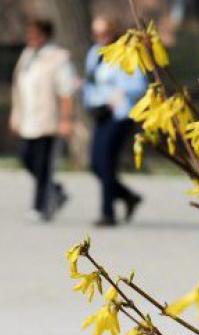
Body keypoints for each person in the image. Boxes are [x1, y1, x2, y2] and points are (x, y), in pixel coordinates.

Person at [10, 18, 77, 222]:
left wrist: (66, 120)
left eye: (35, 34)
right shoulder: (27, 56)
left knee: (43, 164)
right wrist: (15, 114)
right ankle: (55, 191)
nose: (31, 38)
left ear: (45, 35)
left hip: (49, 120)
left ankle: (40, 207)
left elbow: (66, 92)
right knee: (26, 158)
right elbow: (18, 88)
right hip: (29, 119)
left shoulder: (58, 58)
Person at [83, 16, 147, 227]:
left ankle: (107, 213)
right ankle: (128, 196)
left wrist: (120, 93)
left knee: (107, 162)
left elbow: (139, 83)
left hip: (120, 114)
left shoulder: (126, 53)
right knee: (95, 163)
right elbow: (91, 81)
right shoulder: (94, 53)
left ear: (113, 33)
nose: (100, 38)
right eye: (96, 34)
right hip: (101, 113)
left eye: (104, 34)